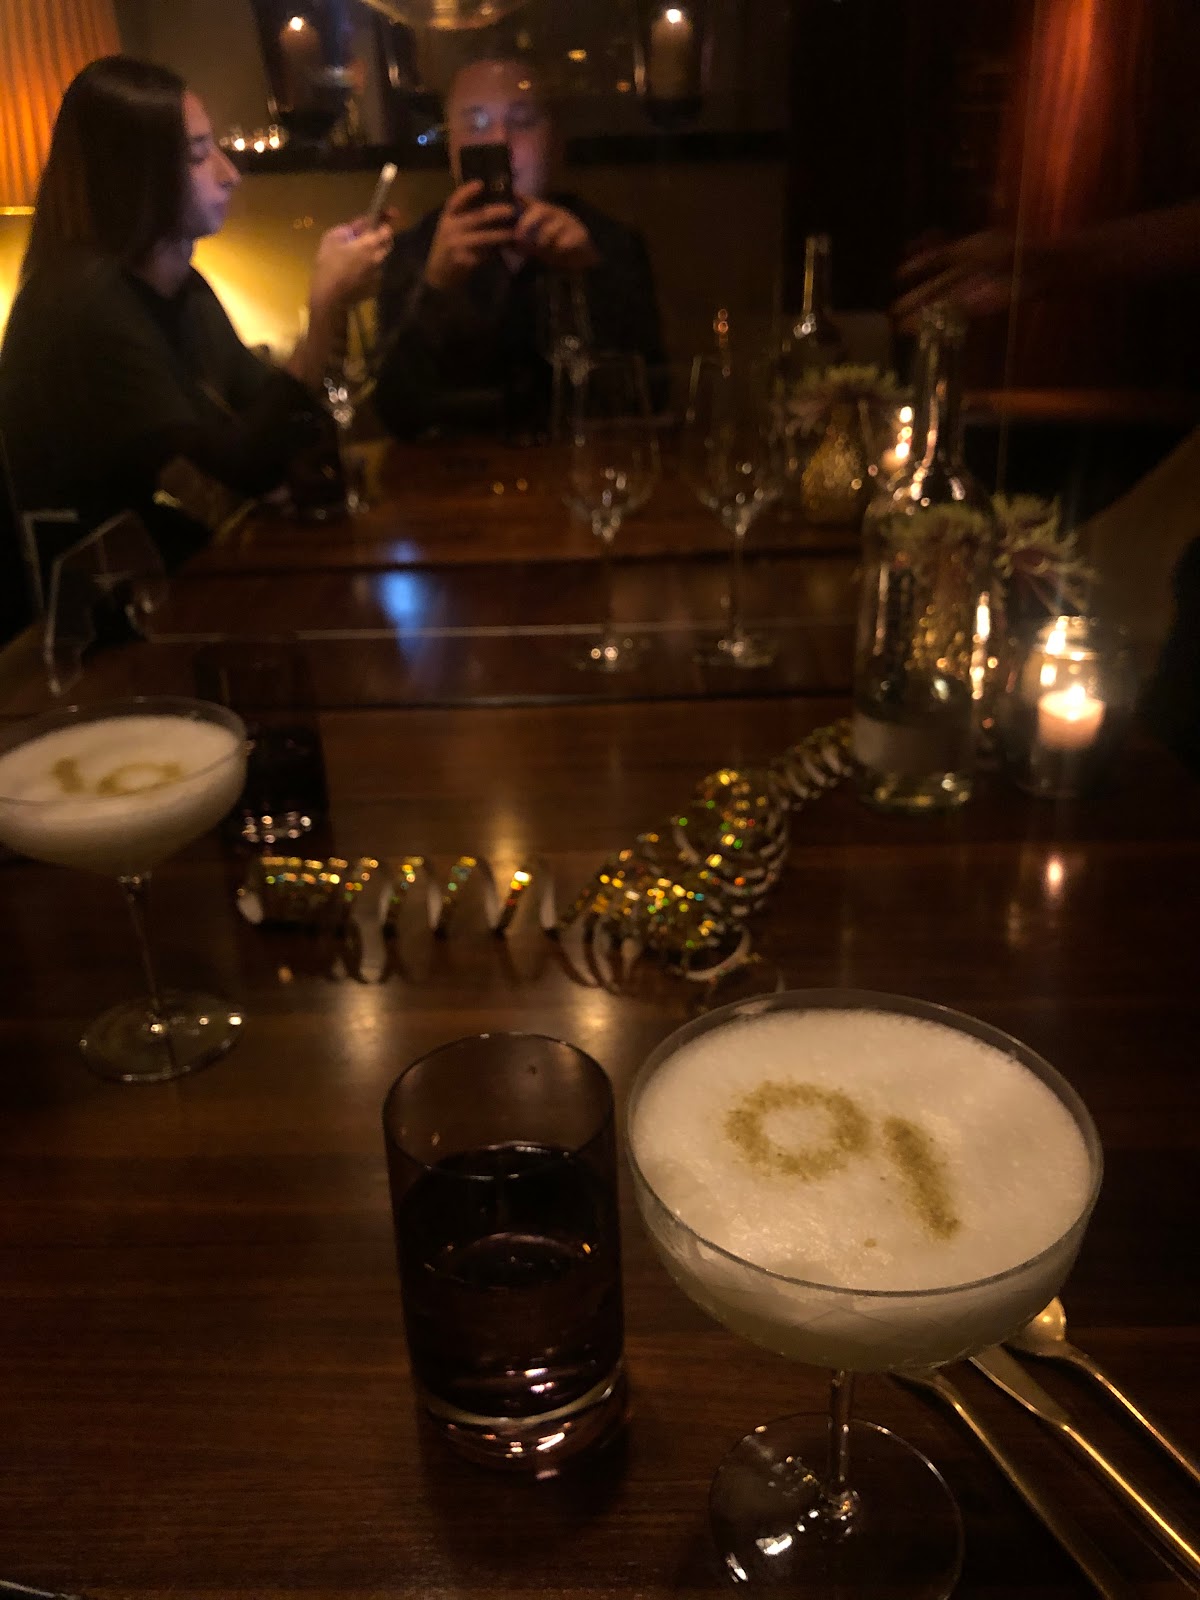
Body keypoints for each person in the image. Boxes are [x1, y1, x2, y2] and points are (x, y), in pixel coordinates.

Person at [0, 55, 392, 598]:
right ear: (132, 175)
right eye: (198, 155)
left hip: (184, 580)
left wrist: (335, 312)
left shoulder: (183, 286)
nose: (230, 174)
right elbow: (237, 472)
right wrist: (325, 307)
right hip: (109, 616)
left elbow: (278, 431)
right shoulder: (84, 309)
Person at [372, 55, 664, 439]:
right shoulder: (415, 250)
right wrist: (437, 290)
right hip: (459, 471)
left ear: (556, 143)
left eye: (523, 122)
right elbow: (394, 413)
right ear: (452, 148)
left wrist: (590, 276)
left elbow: (653, 398)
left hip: (578, 465)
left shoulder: (608, 242)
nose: (500, 142)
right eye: (476, 124)